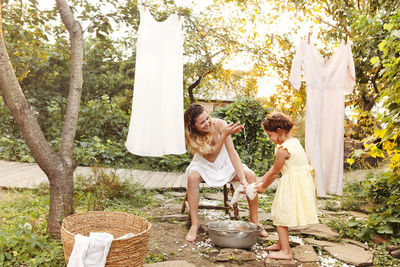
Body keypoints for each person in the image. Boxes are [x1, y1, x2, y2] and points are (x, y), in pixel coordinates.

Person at [184, 104, 268, 242]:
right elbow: (211, 157)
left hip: (225, 163)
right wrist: (224, 135)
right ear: (194, 127)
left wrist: (243, 179)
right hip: (204, 164)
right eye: (202, 122)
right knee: (192, 177)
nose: (207, 123)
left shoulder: (220, 124)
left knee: (251, 175)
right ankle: (195, 224)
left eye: (207, 118)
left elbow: (232, 153)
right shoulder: (193, 137)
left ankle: (255, 220)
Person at [256, 112, 318, 260]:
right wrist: (260, 180)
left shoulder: (283, 150)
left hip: (292, 186)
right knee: (282, 213)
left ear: (279, 131)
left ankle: (286, 251)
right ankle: (281, 243)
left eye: (270, 135)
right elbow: (273, 169)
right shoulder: (294, 143)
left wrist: (263, 187)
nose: (270, 139)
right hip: (300, 184)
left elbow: (274, 173)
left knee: (280, 214)